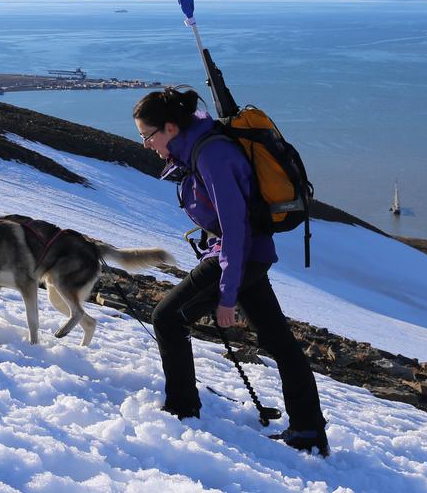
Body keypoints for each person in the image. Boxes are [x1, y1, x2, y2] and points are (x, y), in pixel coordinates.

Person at [133, 86, 330, 456]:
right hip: (244, 256)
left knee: (167, 318)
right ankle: (308, 430)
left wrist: (226, 294)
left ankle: (182, 410)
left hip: (239, 256)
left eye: (148, 135)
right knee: (280, 342)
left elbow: (236, 227)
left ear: (170, 128)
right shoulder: (197, 149)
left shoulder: (212, 156)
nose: (145, 143)